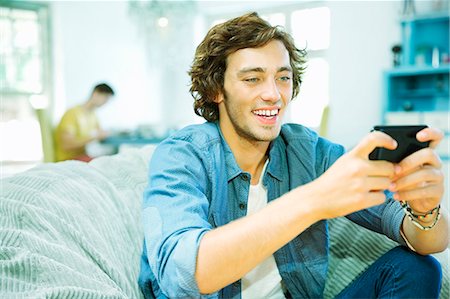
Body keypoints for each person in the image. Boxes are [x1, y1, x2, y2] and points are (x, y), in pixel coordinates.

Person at [139, 12, 448, 298]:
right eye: (252, 78)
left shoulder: (308, 150)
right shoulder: (182, 155)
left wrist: (424, 210)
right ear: (215, 90)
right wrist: (314, 200)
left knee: (417, 268)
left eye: (283, 77)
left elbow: (430, 241)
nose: (274, 94)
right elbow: (185, 275)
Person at [55, 83, 114, 162]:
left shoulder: (93, 116)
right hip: (69, 160)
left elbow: (100, 133)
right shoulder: (73, 113)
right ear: (96, 93)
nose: (106, 102)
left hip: (83, 156)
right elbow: (66, 145)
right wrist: (95, 136)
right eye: (105, 98)